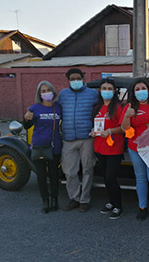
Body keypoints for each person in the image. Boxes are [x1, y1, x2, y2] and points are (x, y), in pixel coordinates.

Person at [120, 79, 149, 225]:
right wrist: (127, 116)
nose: (141, 91)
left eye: (143, 88)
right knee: (140, 178)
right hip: (136, 148)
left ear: (148, 90)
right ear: (133, 93)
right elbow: (124, 129)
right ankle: (142, 207)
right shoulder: (129, 107)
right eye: (137, 89)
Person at [57, 68, 99, 212]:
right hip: (68, 139)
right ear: (68, 80)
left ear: (83, 78)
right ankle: (74, 198)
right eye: (72, 79)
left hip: (87, 138)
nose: (75, 81)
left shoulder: (93, 94)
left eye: (78, 78)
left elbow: (101, 111)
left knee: (87, 169)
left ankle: (85, 200)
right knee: (69, 172)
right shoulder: (63, 94)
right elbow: (56, 111)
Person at [23, 81, 62, 213]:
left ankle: (54, 199)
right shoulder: (35, 108)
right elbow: (27, 126)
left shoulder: (58, 107)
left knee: (54, 175)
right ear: (39, 95)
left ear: (53, 91)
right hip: (38, 146)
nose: (46, 93)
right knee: (41, 176)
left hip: (54, 146)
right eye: (43, 91)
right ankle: (45, 200)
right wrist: (26, 119)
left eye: (48, 90)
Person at [91, 79, 125, 219]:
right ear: (100, 91)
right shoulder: (97, 107)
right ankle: (111, 202)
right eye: (104, 88)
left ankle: (118, 206)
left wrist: (110, 131)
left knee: (111, 178)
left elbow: (123, 128)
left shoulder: (118, 107)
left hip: (114, 148)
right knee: (105, 178)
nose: (106, 91)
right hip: (100, 147)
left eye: (109, 88)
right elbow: (95, 125)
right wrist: (93, 131)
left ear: (114, 91)